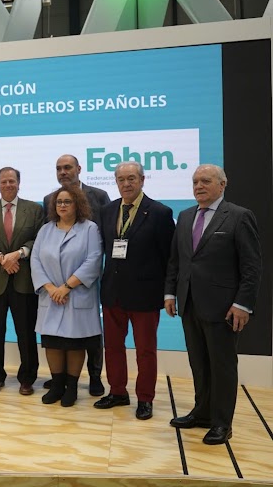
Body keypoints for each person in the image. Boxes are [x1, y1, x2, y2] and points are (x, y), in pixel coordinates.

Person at [165, 164, 262, 445]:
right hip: (189, 303)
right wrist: (170, 293)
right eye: (195, 181)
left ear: (222, 184)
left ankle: (222, 423)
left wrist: (242, 304)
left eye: (206, 181)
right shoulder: (185, 216)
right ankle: (202, 413)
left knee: (222, 366)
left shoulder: (239, 216)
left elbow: (252, 266)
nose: (199, 186)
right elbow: (176, 260)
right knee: (199, 363)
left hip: (224, 308)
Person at [94, 162, 175, 420]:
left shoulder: (160, 212)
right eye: (121, 179)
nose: (126, 184)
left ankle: (145, 398)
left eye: (131, 178)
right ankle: (118, 392)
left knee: (145, 351)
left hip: (145, 294)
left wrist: (168, 292)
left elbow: (169, 257)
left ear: (142, 180)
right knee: (112, 348)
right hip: (113, 293)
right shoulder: (107, 211)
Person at [42, 154, 111, 396]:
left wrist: (78, 278)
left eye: (67, 167)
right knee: (59, 335)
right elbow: (47, 243)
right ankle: (60, 379)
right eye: (58, 168)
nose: (63, 172)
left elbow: (105, 237)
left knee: (89, 333)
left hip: (85, 280)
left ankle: (94, 376)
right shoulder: (49, 200)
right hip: (56, 283)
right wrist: (54, 285)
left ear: (79, 169)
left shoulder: (98, 196)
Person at [0, 167, 44, 395]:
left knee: (26, 332)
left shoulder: (34, 209)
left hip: (23, 281)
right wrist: (1, 258)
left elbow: (39, 239)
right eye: (3, 181)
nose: (8, 185)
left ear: (19, 183)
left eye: (12, 181)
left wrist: (20, 253)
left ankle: (27, 379)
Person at [31, 185, 102, 407]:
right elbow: (35, 260)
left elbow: (94, 260)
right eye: (59, 202)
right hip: (51, 296)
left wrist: (66, 287)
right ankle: (57, 386)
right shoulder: (46, 230)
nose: (62, 205)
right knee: (52, 342)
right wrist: (51, 288)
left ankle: (71, 388)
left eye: (67, 201)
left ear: (77, 204)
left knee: (74, 344)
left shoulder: (89, 228)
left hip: (76, 295)